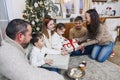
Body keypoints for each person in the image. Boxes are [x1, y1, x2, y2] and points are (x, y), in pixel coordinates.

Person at [0, 19, 65, 80]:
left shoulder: (13, 46)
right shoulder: (8, 55)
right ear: (20, 36)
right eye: (30, 34)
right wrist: (59, 78)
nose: (31, 37)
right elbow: (30, 76)